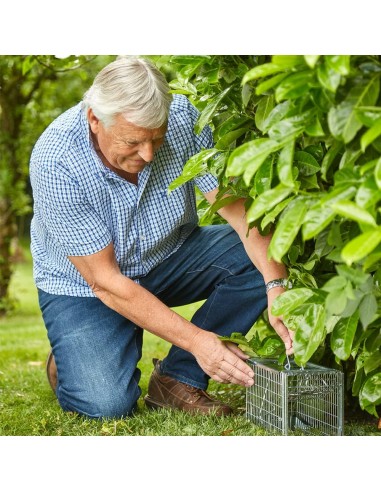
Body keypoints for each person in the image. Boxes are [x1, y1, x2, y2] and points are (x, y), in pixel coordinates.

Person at [29, 56, 293, 419]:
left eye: (157, 137)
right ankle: (76, 349)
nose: (149, 154)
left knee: (258, 259)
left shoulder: (185, 117)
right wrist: (201, 341)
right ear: (95, 120)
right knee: (106, 404)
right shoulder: (56, 160)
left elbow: (241, 214)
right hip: (86, 286)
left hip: (168, 257)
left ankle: (178, 379)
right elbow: (105, 281)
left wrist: (276, 286)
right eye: (133, 141)